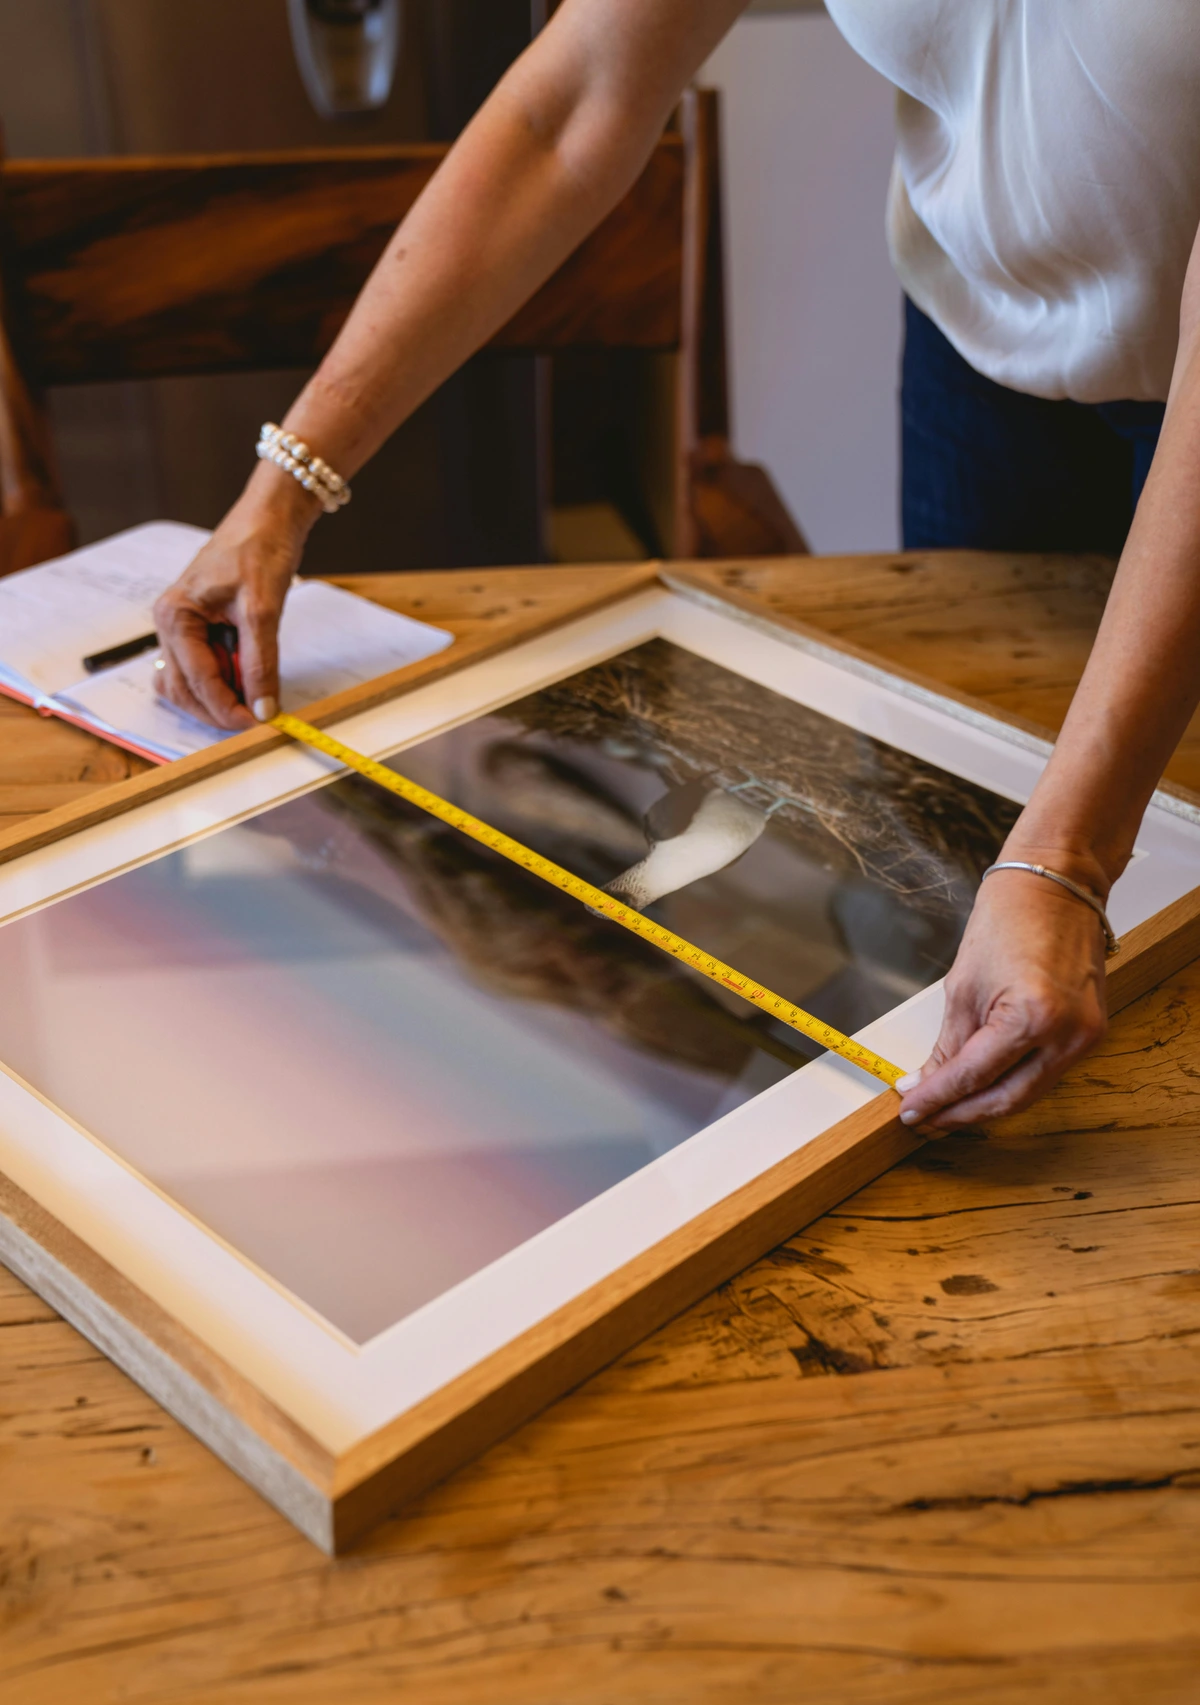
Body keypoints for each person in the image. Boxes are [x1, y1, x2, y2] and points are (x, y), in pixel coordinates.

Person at [151, 0, 1200, 1133]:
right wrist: (287, 482)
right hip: (978, 349)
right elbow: (573, 100)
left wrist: (1066, 859)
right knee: (959, 880)